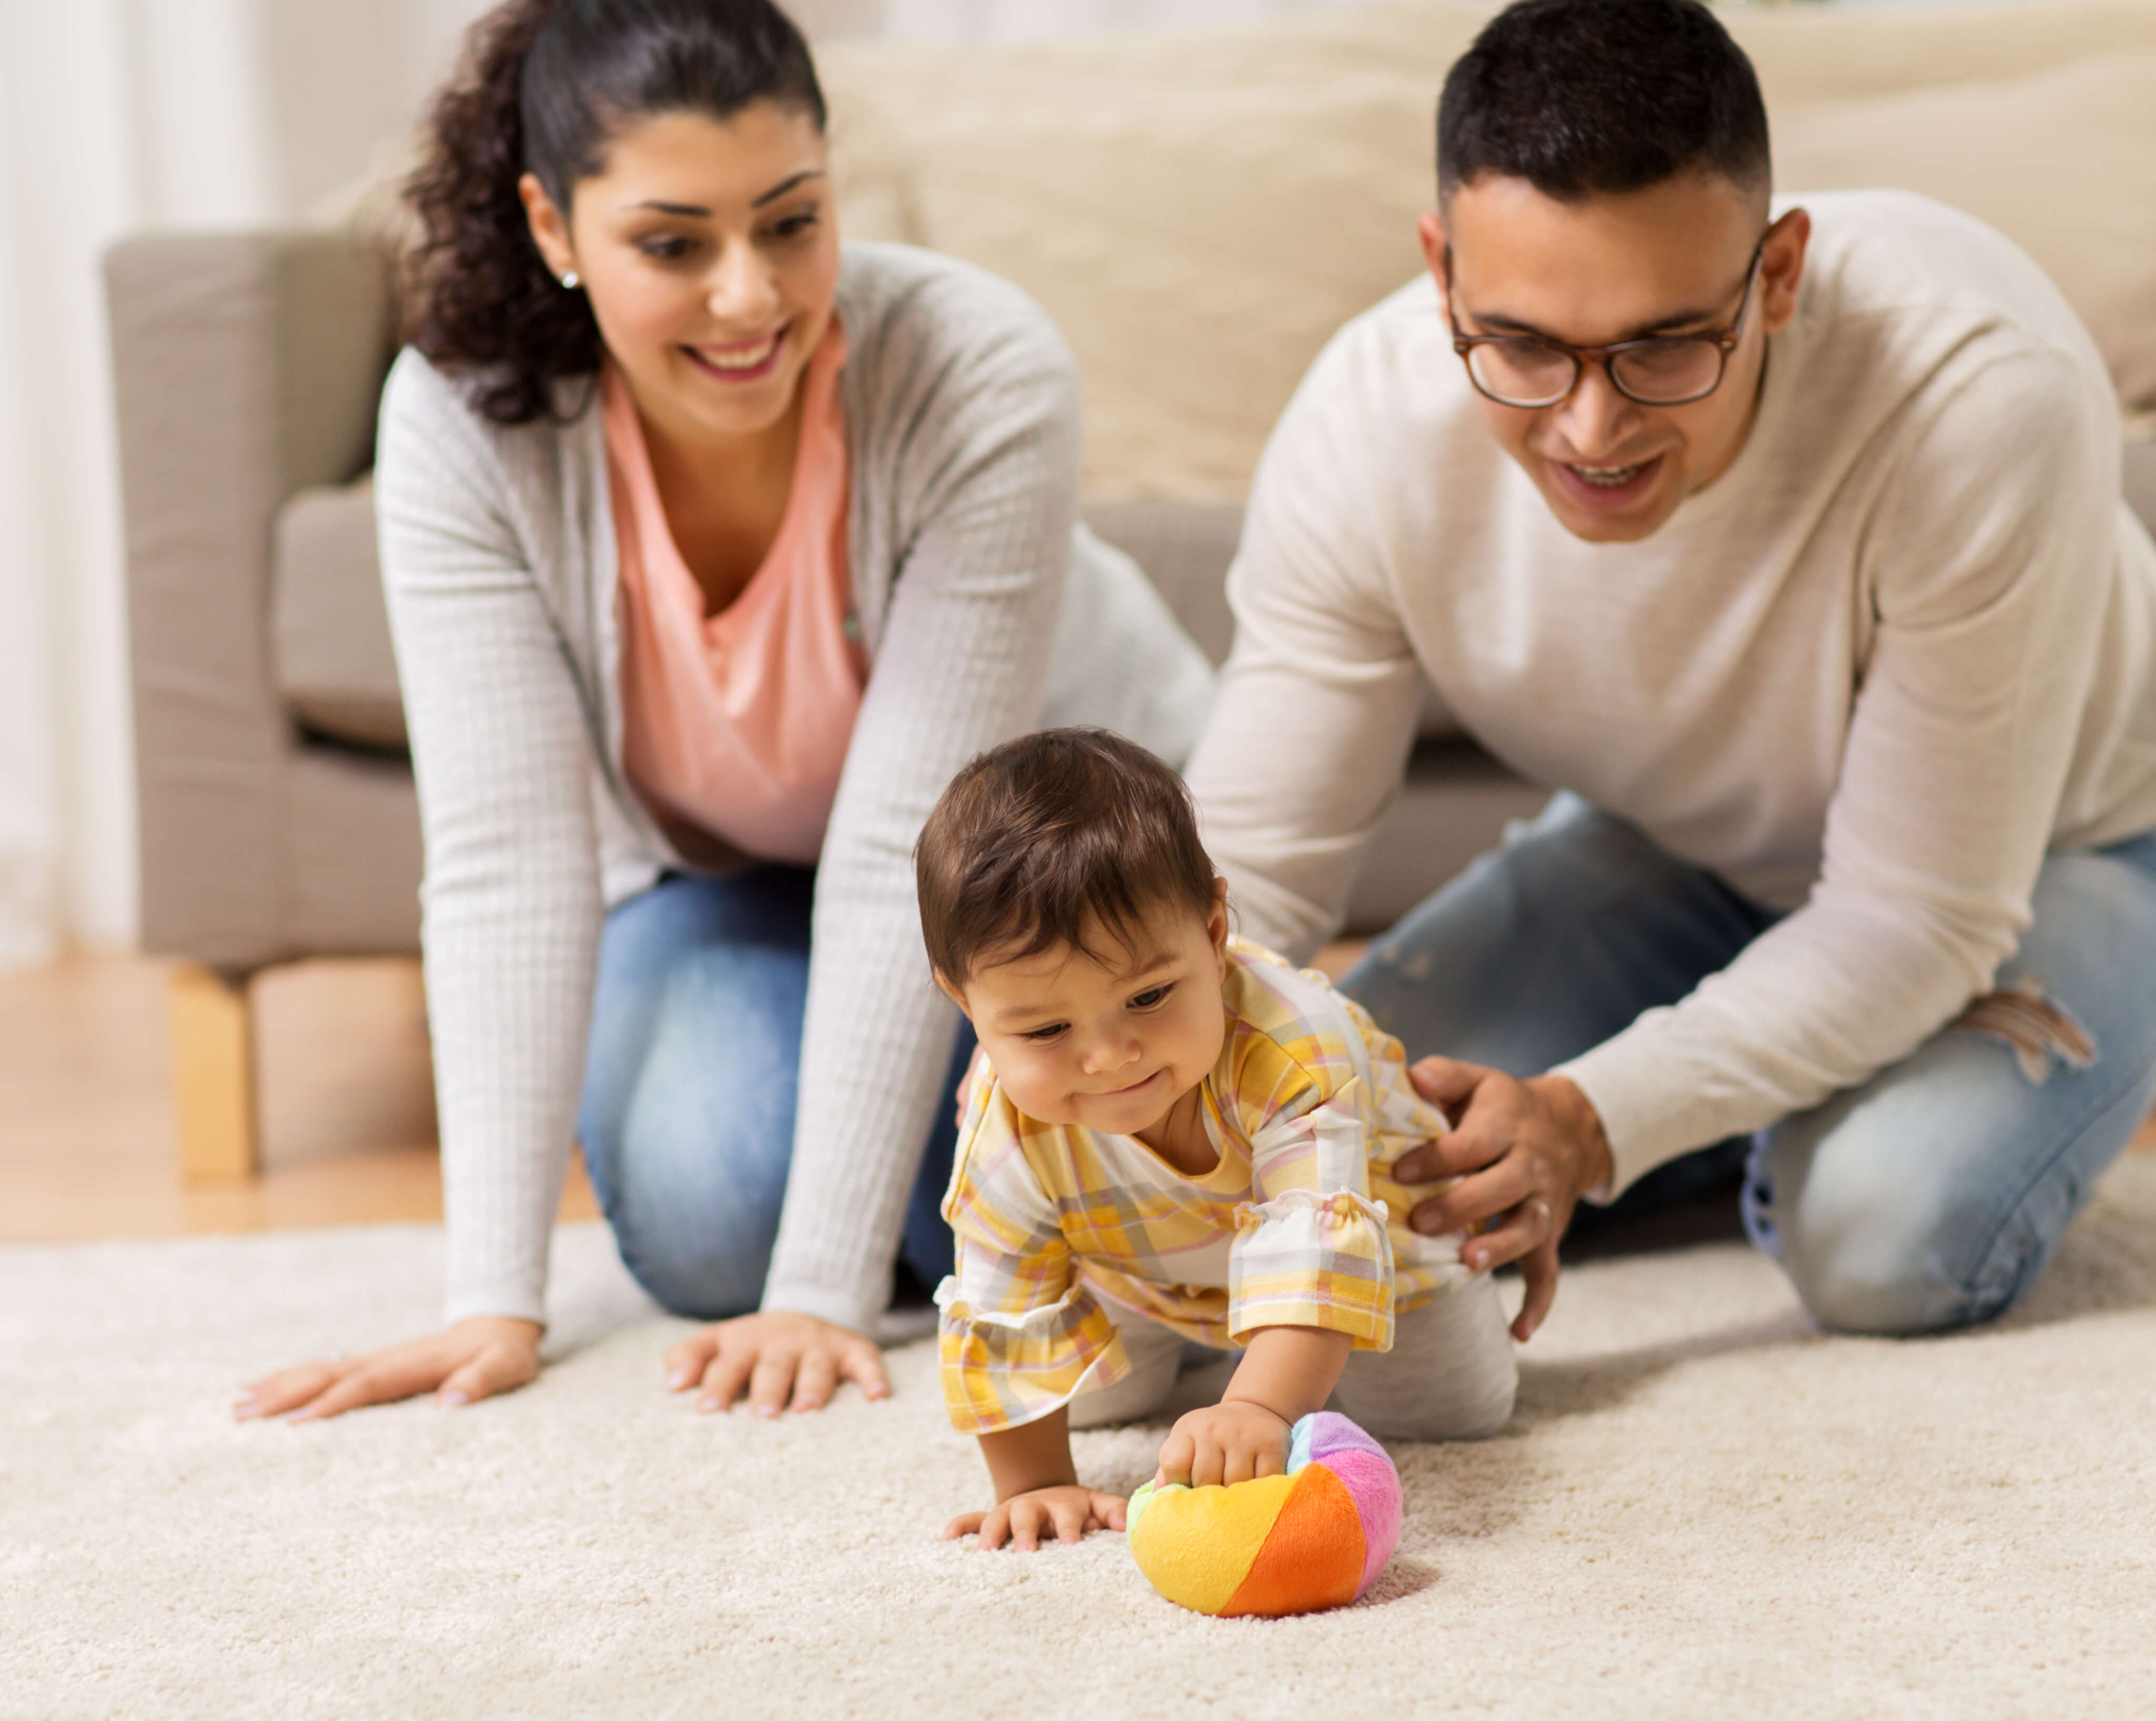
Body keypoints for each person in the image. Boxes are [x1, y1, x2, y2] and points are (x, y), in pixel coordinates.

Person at [236, 0, 1211, 1426]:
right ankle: (1030, 1225)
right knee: (707, 1209)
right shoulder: (458, 420)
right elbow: (508, 856)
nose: (749, 296)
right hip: (722, 883)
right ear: (553, 227)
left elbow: (900, 844)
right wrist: (488, 1303)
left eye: (790, 222)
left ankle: (1086, 1214)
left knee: (1138, 1129)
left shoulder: (976, 366)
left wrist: (818, 1287)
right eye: (672, 243)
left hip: (1055, 906)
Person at [1189, 0, 2156, 1343]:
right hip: (1676, 854)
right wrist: (1140, 1062)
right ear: (1441, 269)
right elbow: (1259, 865)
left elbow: (1920, 913)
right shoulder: (1364, 427)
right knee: (1341, 1139)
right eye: (1521, 344)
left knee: (1886, 1227)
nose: (1592, 428)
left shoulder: (1982, 392)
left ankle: (1770, 1122)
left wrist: (1591, 1122)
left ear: (1778, 273)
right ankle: (1757, 1083)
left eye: (1662, 345)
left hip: (2069, 847)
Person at [918, 731, 1514, 1553]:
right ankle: (1217, 1345)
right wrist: (1035, 1485)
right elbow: (1002, 1301)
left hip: (1380, 1246)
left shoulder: (1295, 1047)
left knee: (1455, 1409)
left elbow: (1318, 1253)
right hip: (1148, 1271)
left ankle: (1253, 1362)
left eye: (1149, 995)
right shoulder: (1003, 1117)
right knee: (1083, 1399)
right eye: (1046, 1028)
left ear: (1212, 929)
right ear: (964, 1002)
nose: (1108, 1057)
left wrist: (1258, 1407)